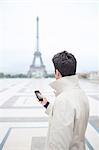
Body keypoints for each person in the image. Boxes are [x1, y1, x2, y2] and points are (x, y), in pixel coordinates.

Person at [39, 51, 89, 150]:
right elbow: (70, 116)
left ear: (57, 72)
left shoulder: (64, 100)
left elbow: (58, 145)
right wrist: (47, 104)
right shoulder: (80, 93)